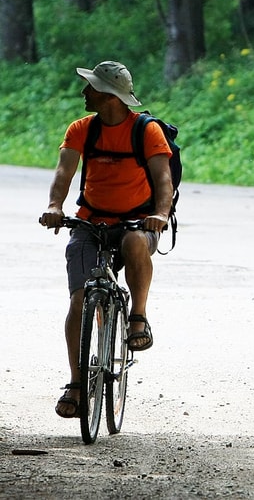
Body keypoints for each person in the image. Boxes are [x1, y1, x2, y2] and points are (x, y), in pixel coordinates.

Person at [39, 61, 173, 418]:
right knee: (79, 299)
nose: (85, 92)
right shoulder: (82, 129)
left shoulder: (146, 131)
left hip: (138, 221)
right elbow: (64, 173)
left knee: (133, 243)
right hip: (90, 220)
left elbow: (163, 180)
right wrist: (55, 205)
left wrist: (159, 215)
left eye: (91, 87)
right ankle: (77, 384)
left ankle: (138, 317)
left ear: (110, 95)